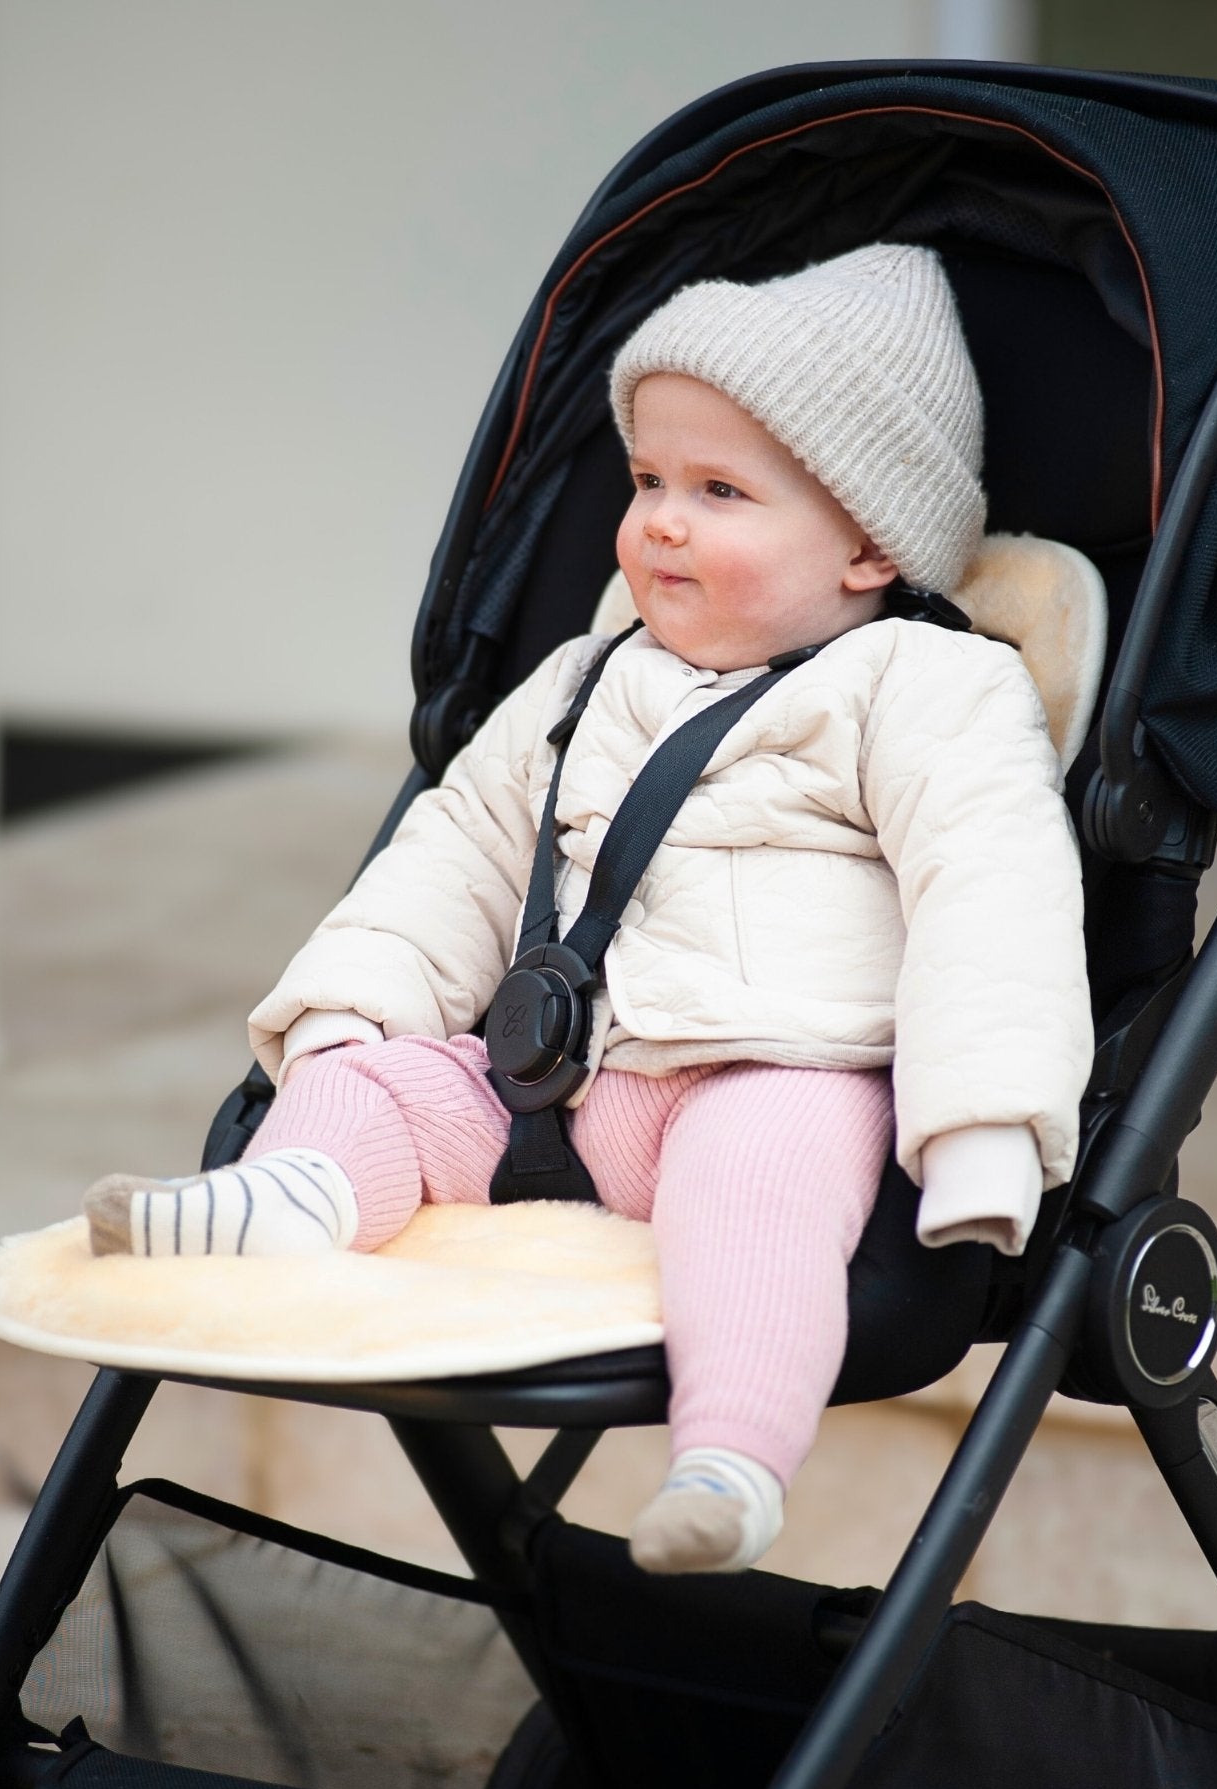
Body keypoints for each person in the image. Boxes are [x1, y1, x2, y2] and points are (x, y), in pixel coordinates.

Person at [83, 245, 1092, 1576]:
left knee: (759, 1201)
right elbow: (458, 845)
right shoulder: (584, 676)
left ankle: (731, 1461)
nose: (661, 521)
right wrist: (349, 1013)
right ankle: (279, 1199)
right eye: (648, 481)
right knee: (377, 1084)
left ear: (866, 543)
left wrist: (984, 1125)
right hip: (558, 1084)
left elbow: (993, 895)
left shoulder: (926, 687)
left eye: (719, 491)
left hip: (774, 1074)